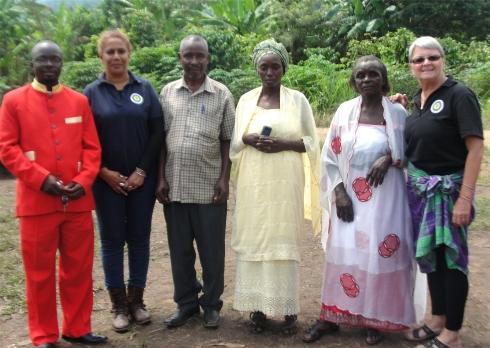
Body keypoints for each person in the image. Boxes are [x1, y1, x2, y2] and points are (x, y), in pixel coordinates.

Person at [304, 55, 424, 346]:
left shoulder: (397, 113)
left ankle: (374, 319)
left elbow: (413, 151)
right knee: (345, 255)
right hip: (350, 203)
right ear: (353, 81)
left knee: (380, 256)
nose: (367, 79)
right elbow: (330, 156)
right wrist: (340, 193)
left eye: (373, 74)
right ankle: (333, 316)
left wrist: (389, 158)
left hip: (387, 203)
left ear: (384, 79)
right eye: (361, 75)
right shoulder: (344, 112)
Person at [0, 40, 106, 347]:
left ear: (62, 64)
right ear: (30, 65)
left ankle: (77, 328)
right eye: (42, 60)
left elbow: (92, 149)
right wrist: (38, 178)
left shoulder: (78, 102)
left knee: (78, 270)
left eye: (55, 60)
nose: (49, 65)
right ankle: (43, 335)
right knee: (38, 275)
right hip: (36, 203)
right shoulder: (13, 101)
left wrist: (84, 180)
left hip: (77, 203)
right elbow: (7, 148)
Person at [390, 37, 484, 348]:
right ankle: (438, 319)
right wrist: (402, 108)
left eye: (432, 57)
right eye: (419, 59)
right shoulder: (418, 99)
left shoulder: (459, 95)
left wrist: (465, 197)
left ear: (443, 60)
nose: (426, 63)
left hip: (449, 193)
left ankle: (452, 334)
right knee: (431, 257)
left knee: (451, 261)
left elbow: (475, 147)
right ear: (411, 66)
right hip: (421, 193)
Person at [229, 39, 321, 336]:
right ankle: (257, 308)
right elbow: (234, 142)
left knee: (283, 239)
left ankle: (289, 310)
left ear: (284, 68)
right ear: (257, 69)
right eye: (263, 67)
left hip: (285, 181)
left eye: (275, 67)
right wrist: (249, 139)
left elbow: (311, 142)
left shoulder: (298, 100)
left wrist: (283, 144)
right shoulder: (245, 100)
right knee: (256, 239)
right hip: (254, 184)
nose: (269, 72)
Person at [83, 30, 164, 332]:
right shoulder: (91, 92)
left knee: (140, 240)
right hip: (105, 182)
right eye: (110, 52)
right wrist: (102, 172)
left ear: (130, 53)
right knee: (112, 241)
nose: (116, 57)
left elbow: (157, 132)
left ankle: (137, 301)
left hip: (141, 181)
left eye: (121, 51)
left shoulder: (144, 87)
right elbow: (82, 138)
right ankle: (118, 305)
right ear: (101, 56)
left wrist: (142, 171)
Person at [156, 35, 235, 329]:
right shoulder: (167, 93)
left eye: (199, 56)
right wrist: (160, 176)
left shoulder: (222, 94)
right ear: (180, 58)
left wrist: (225, 178)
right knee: (180, 250)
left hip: (209, 186)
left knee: (211, 251)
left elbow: (228, 139)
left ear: (208, 58)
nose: (194, 61)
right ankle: (186, 303)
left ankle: (212, 305)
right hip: (175, 185)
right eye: (188, 56)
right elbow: (160, 139)